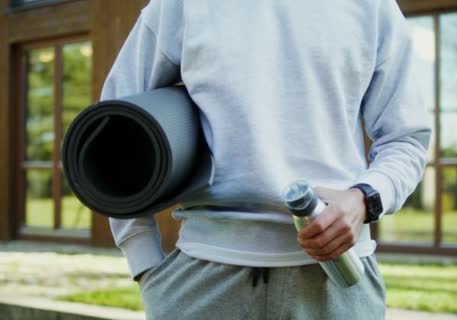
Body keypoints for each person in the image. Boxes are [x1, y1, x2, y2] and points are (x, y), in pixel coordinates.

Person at [101, 0, 430, 319]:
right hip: (200, 286)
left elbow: (406, 138)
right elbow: (111, 129)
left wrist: (364, 200)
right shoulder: (182, 4)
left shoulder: (372, 6)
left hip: (338, 281)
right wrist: (144, 261)